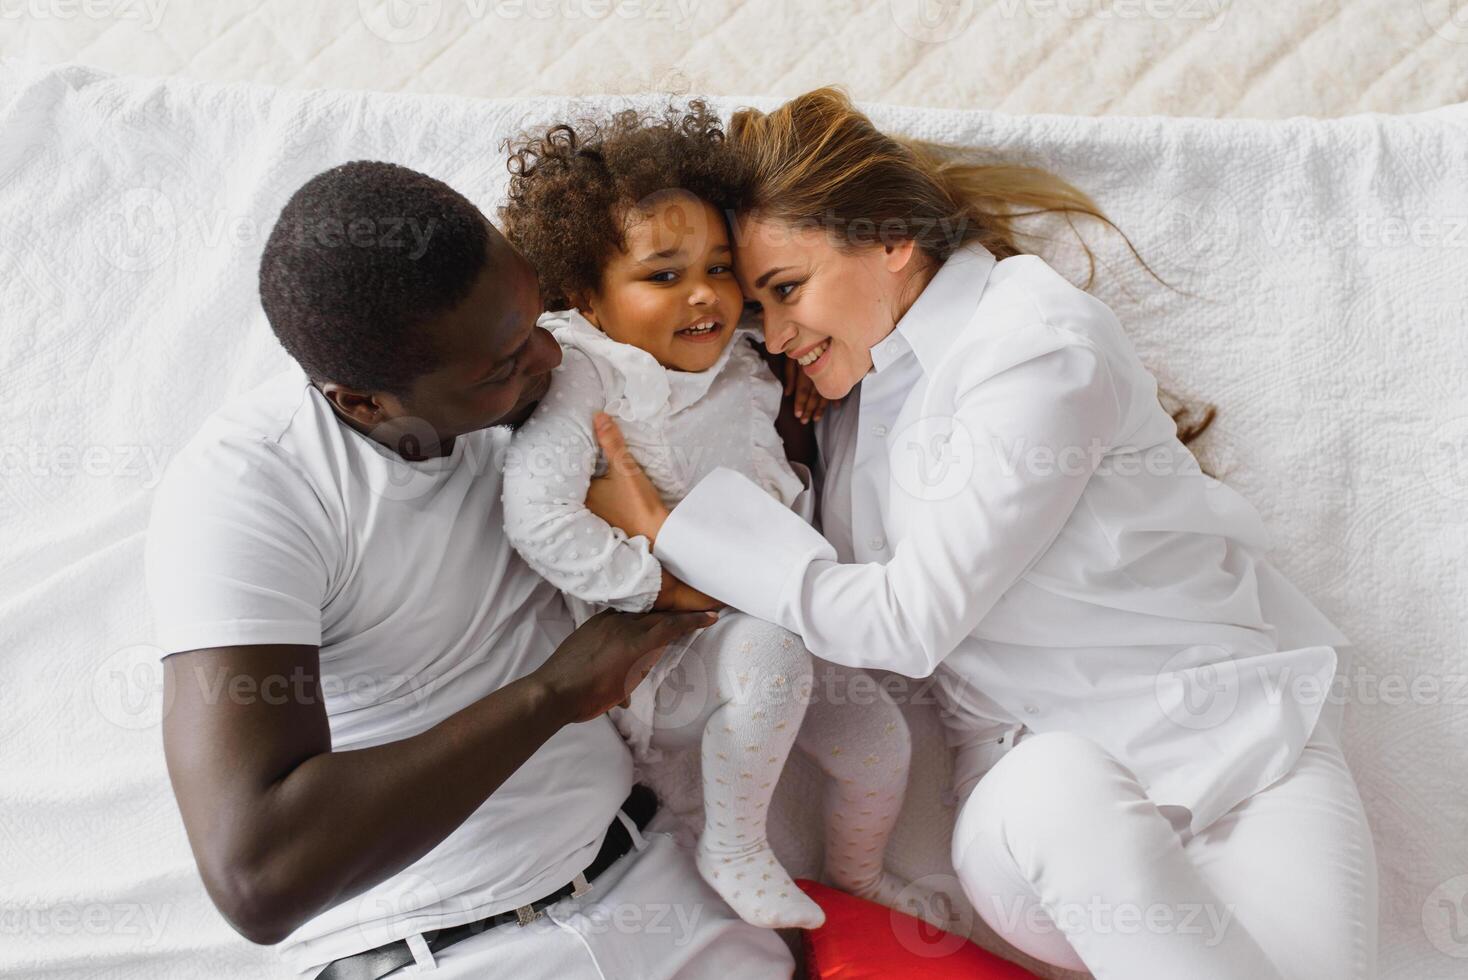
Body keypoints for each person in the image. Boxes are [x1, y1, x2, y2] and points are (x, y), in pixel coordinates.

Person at [584, 88, 1380, 979]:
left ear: (891, 241)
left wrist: (670, 525)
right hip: (1036, 806)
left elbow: (905, 620)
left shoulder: (1034, 341)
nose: (770, 332)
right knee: (1064, 782)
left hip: (1249, 758)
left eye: (786, 290)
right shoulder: (844, 392)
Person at [144, 161, 793, 980]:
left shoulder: (557, 378)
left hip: (662, 889)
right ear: (364, 402)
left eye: (535, 320)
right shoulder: (254, 488)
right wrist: (554, 694)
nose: (551, 355)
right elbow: (259, 875)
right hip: (445, 946)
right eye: (504, 365)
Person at [497, 104, 915, 931]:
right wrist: (659, 587)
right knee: (772, 649)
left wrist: (799, 368)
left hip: (772, 626)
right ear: (586, 295)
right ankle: (731, 844)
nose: (704, 296)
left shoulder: (745, 353)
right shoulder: (590, 373)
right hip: (674, 650)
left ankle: (858, 876)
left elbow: (796, 315)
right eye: (663, 275)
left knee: (882, 745)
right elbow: (536, 513)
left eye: (720, 269)